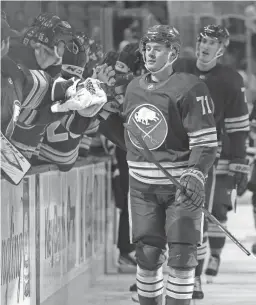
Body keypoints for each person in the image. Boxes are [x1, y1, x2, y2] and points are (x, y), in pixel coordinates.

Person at [98, 24, 218, 305]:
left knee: (181, 255)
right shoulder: (133, 88)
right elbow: (131, 140)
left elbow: (205, 141)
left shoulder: (190, 87)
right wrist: (101, 115)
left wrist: (195, 172)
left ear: (173, 53)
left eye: (158, 48)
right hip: (142, 188)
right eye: (147, 48)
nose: (150, 53)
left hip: (180, 189)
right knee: (148, 256)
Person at [174, 24, 250, 299]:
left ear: (221, 49)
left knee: (197, 217)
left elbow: (238, 128)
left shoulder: (230, 79)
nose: (205, 46)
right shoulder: (177, 67)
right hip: (169, 152)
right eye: (203, 40)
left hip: (205, 155)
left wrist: (240, 162)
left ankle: (194, 278)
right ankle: (157, 272)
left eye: (212, 43)